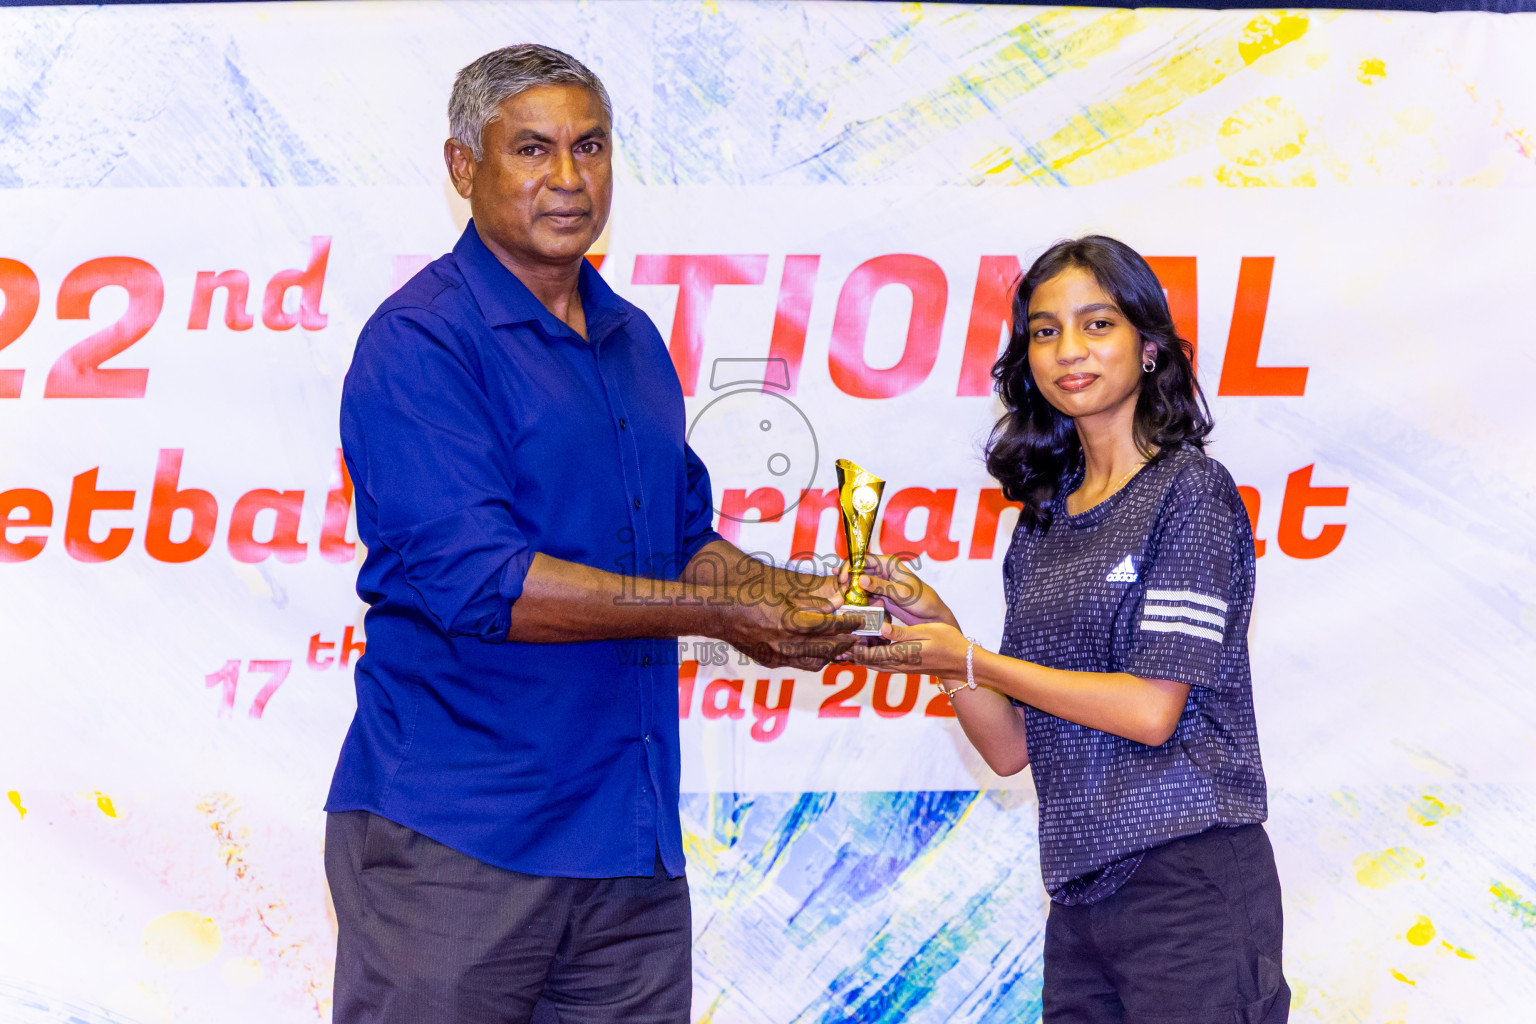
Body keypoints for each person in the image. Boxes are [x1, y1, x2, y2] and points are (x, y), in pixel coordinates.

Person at [323, 44, 855, 1024]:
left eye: (590, 146)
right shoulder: (421, 342)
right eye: (532, 149)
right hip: (459, 841)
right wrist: (720, 612)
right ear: (462, 168)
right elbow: (487, 585)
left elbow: (682, 536)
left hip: (629, 846)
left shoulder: (633, 340)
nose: (568, 179)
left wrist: (798, 597)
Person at [850, 236, 1288, 1023]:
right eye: (1045, 331)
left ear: (1148, 347)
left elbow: (1151, 711)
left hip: (1187, 882)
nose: (1068, 351)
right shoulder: (1044, 523)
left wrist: (976, 657)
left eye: (1096, 325)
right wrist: (944, 644)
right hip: (1082, 899)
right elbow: (1011, 746)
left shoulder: (1191, 492)